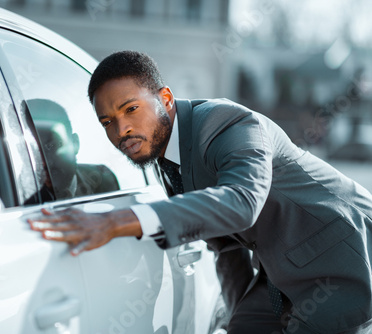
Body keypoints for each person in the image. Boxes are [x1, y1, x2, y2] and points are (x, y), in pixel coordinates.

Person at [28, 51, 372, 333]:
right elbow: (226, 249)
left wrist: (119, 220)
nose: (122, 129)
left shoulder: (227, 124)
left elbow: (242, 202)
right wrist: (238, 319)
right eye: (107, 122)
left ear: (164, 98)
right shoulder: (164, 159)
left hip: (342, 253)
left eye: (130, 108)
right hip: (278, 272)